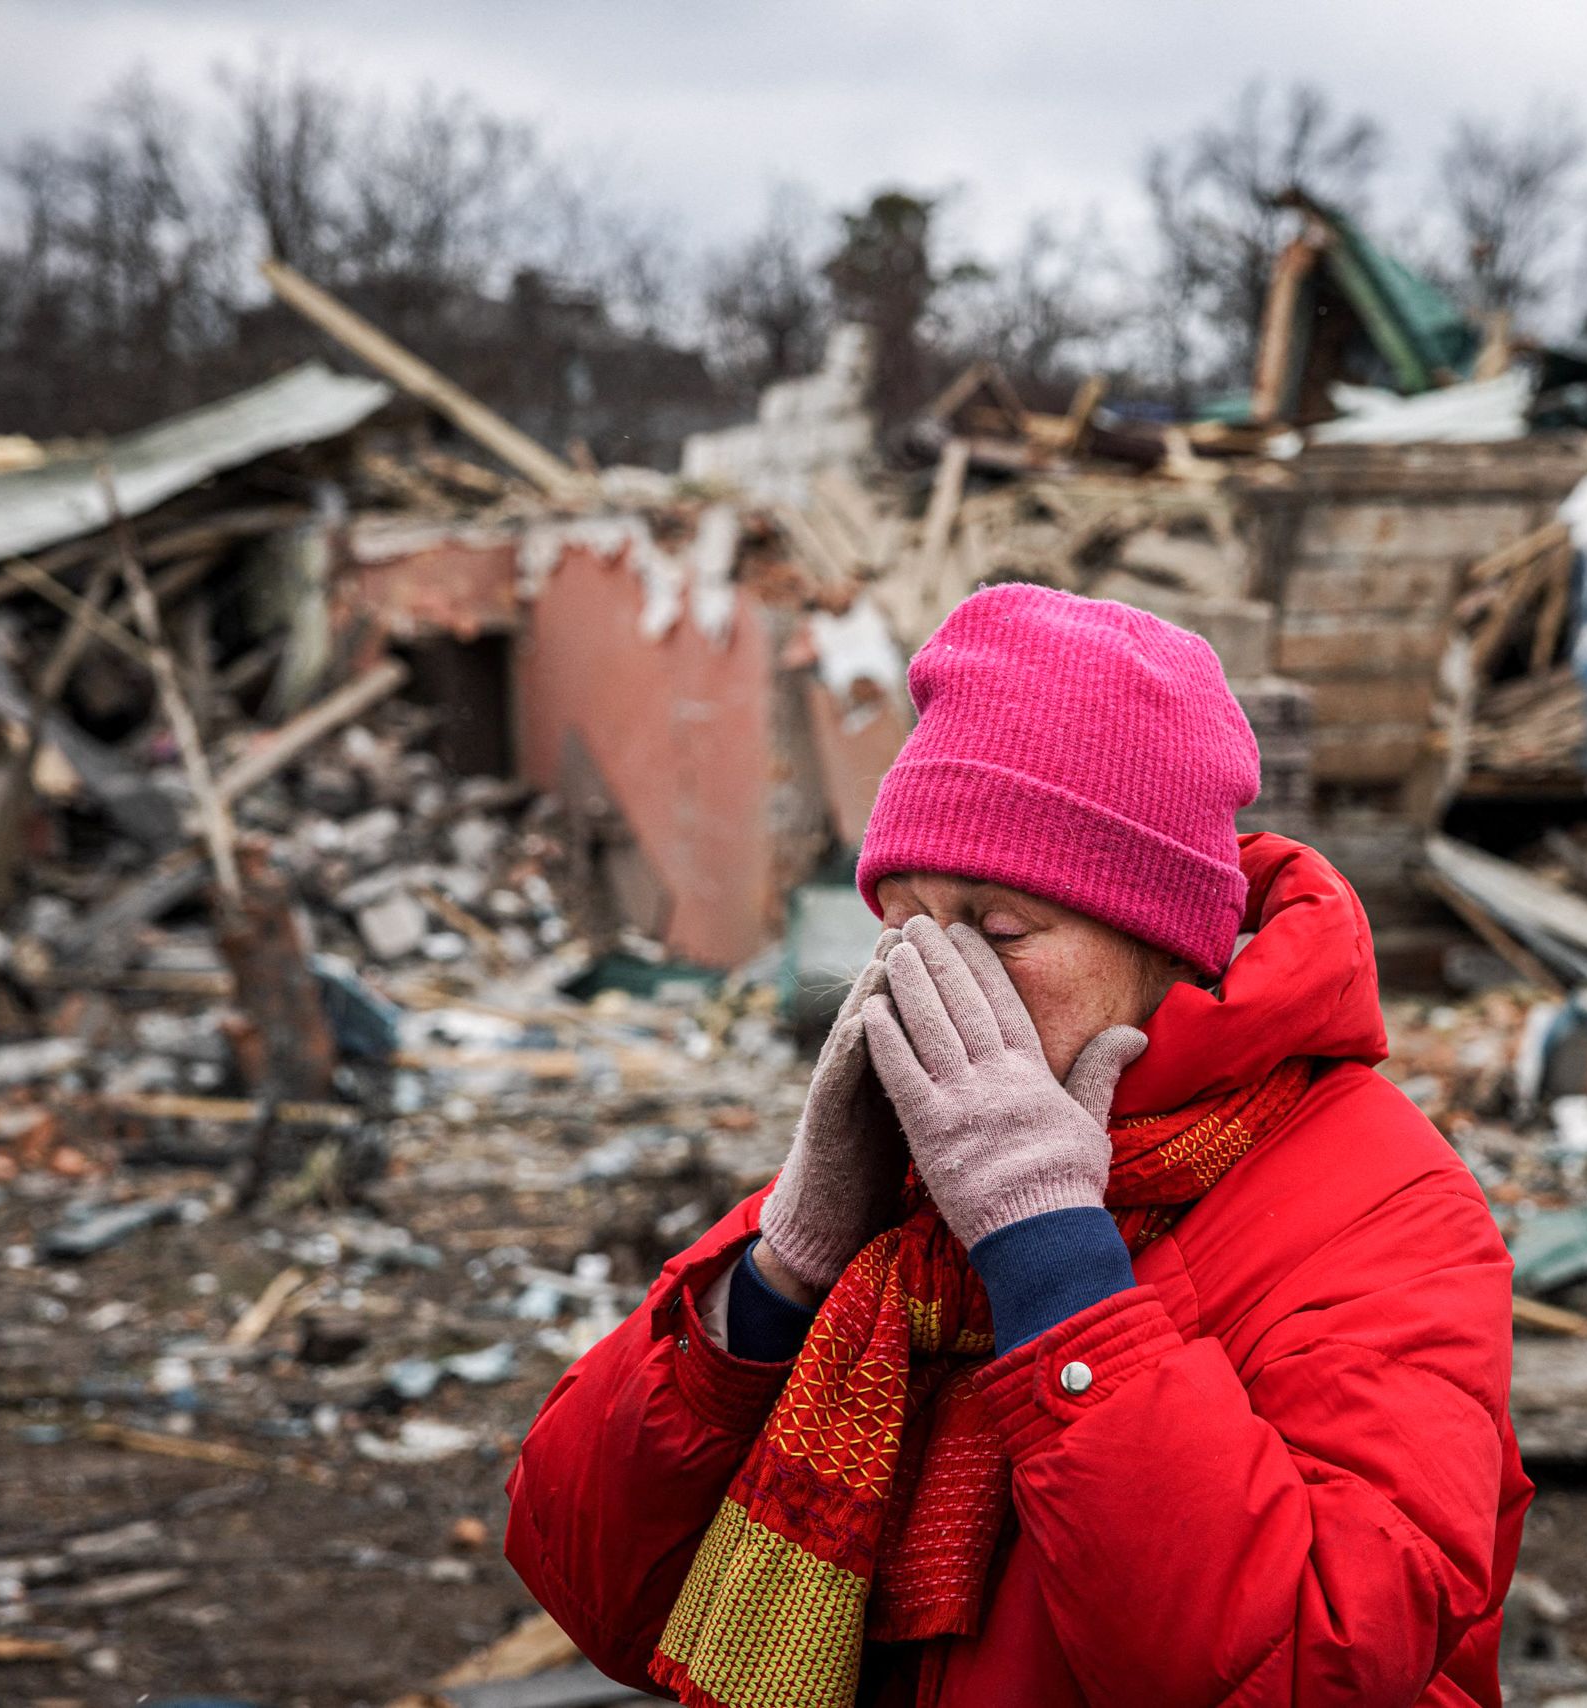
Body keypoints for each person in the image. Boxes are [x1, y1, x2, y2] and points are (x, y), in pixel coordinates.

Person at [506, 584, 1530, 1708]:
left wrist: (1054, 1259)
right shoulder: (910, 1176)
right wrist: (783, 1265)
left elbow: (1312, 1660)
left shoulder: (1385, 1204)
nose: (942, 979)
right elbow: (588, 1577)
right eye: (906, 926)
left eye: (999, 930)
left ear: (1163, 943)